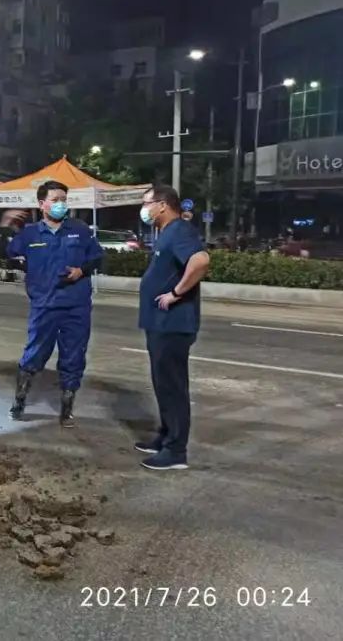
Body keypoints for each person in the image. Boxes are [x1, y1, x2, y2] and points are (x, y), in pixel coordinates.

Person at [3, 180, 104, 426]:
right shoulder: (30, 234)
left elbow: (98, 257)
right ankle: (19, 401)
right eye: (55, 200)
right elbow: (5, 253)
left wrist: (81, 270)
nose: (61, 204)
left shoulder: (79, 229)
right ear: (42, 204)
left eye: (64, 200)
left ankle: (67, 408)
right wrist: (6, 226)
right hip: (44, 305)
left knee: (74, 356)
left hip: (76, 306)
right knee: (34, 353)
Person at [136, 184, 210, 471]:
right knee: (162, 384)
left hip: (173, 324)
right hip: (160, 323)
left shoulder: (179, 230)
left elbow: (200, 261)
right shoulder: (167, 232)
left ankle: (176, 450)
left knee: (173, 387)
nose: (144, 209)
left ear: (163, 205)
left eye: (147, 203)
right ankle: (166, 436)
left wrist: (176, 293)